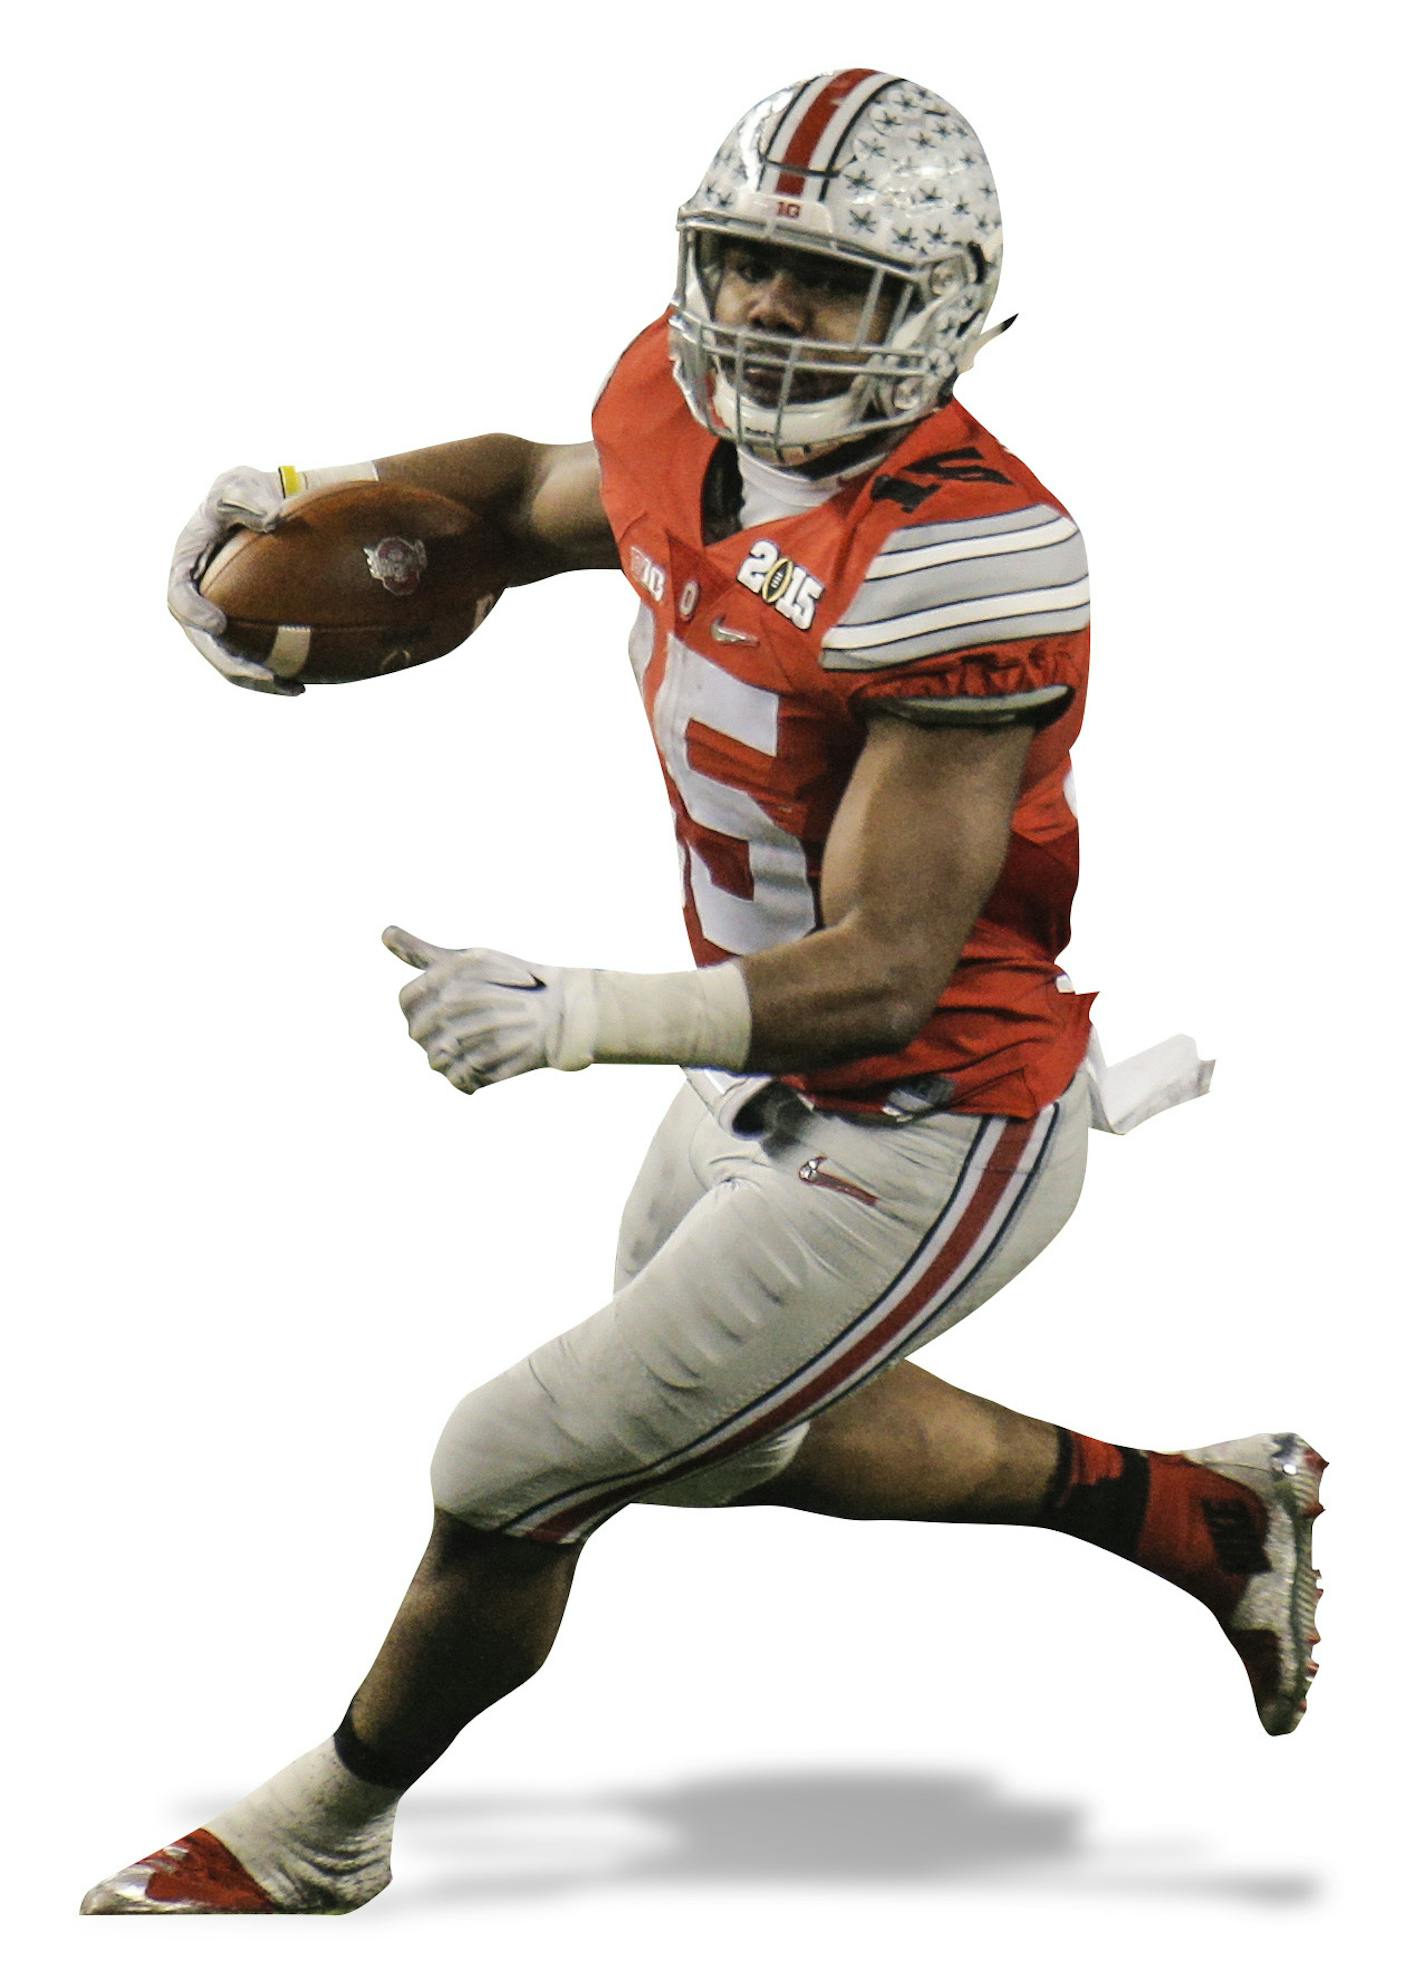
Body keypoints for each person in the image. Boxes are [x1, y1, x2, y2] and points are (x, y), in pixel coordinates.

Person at [82, 69, 1323, 1917]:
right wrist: (324, 498)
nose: (762, 314)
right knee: (708, 1440)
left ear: (944, 309)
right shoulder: (682, 410)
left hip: (931, 1114)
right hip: (760, 1073)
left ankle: (323, 1824)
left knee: (512, 1460)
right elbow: (519, 496)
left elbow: (890, 969)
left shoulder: (968, 553)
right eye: (743, 263)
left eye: (820, 284)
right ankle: (1199, 1511)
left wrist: (581, 1014)